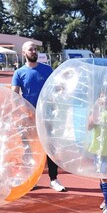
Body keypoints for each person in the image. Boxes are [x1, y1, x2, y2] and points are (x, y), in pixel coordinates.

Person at [11, 41, 66, 192]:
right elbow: (14, 96)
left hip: (47, 116)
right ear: (24, 53)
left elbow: (58, 89)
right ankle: (32, 179)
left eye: (35, 49)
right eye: (31, 49)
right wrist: (17, 114)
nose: (34, 51)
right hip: (29, 117)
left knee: (50, 148)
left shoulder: (47, 70)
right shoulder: (19, 73)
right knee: (29, 149)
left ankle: (54, 179)